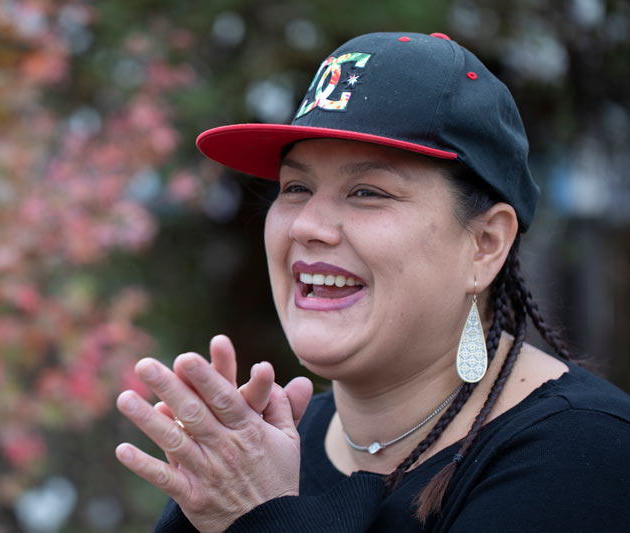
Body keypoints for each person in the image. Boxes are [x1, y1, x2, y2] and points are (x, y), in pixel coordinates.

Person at [113, 31, 630, 532]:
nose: (306, 225)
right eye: (295, 187)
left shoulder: (586, 451)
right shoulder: (263, 453)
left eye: (367, 192)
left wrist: (258, 518)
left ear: (485, 244)